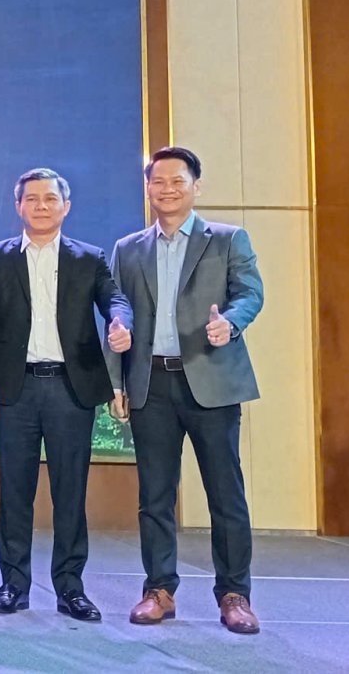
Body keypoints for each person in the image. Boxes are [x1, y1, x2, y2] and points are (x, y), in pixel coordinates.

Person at [111, 146, 265, 635]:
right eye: (158, 181)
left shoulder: (228, 239)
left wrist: (231, 324)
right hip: (150, 383)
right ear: (148, 188)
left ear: (196, 186)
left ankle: (234, 594)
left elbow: (250, 293)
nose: (167, 189)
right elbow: (118, 308)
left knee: (226, 494)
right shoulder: (128, 248)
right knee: (155, 495)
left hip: (211, 380)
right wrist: (117, 374)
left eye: (178, 181)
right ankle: (158, 590)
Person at [0, 168, 131, 621]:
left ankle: (70, 587)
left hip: (70, 389)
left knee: (70, 493)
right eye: (32, 199)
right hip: (15, 389)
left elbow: (114, 299)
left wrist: (120, 323)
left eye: (50, 199)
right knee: (14, 493)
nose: (41, 206)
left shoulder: (89, 258)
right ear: (18, 206)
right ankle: (13, 585)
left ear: (66, 206)